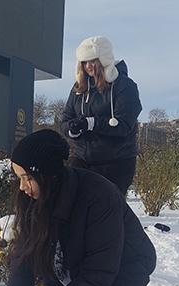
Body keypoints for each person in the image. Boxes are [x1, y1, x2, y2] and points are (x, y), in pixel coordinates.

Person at [0, 130, 179, 286]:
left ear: (47, 174)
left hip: (124, 271)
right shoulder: (36, 198)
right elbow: (26, 247)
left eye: (27, 178)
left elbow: (100, 273)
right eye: (18, 178)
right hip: (82, 272)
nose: (22, 187)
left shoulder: (98, 197)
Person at [60, 36, 142, 194]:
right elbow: (66, 118)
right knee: (72, 201)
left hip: (116, 162)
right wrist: (72, 129)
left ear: (103, 60)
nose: (88, 66)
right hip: (83, 159)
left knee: (106, 209)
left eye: (92, 61)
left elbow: (124, 125)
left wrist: (91, 123)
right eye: (84, 62)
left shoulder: (125, 86)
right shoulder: (79, 88)